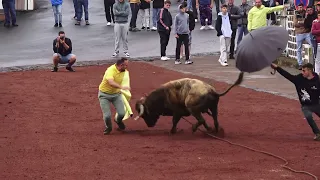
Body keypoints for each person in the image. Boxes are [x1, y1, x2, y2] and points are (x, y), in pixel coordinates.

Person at [271, 63, 320, 141]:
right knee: (308, 116)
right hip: (305, 105)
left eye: (304, 71)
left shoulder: (317, 79)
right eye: (302, 71)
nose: (302, 73)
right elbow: (287, 75)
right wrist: (277, 68)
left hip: (317, 103)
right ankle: (317, 133)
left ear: (310, 71)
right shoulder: (299, 79)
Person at [98, 58, 130, 135]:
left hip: (116, 95)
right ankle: (108, 127)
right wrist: (122, 87)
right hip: (104, 95)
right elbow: (111, 82)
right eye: (126, 65)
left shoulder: (125, 72)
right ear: (121, 65)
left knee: (121, 113)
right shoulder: (110, 70)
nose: (127, 67)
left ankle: (118, 121)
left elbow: (126, 81)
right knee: (107, 116)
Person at [293, 4, 316, 70]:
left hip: (307, 32)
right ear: (297, 8)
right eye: (299, 7)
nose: (300, 8)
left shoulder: (306, 14)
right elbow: (295, 24)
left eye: (301, 7)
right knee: (299, 49)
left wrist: (301, 23)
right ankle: (300, 64)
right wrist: (303, 23)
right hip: (299, 33)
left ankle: (313, 62)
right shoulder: (296, 14)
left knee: (313, 45)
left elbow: (308, 22)